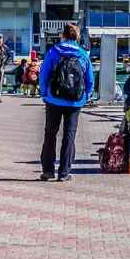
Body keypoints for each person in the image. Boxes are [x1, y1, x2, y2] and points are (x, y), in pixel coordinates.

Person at [38, 22, 93, 182]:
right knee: (69, 136)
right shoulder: (83, 55)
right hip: (74, 102)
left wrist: (44, 94)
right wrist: (85, 97)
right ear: (77, 37)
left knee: (50, 135)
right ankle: (64, 173)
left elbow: (44, 74)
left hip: (54, 99)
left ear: (63, 35)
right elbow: (90, 80)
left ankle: (48, 171)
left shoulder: (54, 52)